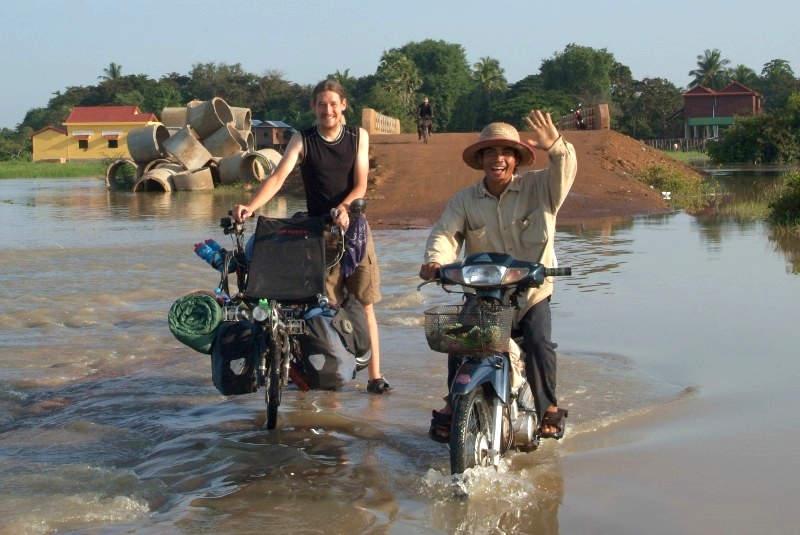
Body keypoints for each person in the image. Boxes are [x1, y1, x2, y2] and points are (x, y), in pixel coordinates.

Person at [419, 110, 577, 440]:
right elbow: (444, 235)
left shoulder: (541, 188)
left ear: (517, 159)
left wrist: (557, 146)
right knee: (460, 341)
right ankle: (453, 402)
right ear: (480, 159)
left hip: (531, 294)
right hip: (483, 296)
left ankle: (548, 406)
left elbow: (565, 170)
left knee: (538, 341)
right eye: (490, 152)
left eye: (506, 152)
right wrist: (436, 262)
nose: (498, 159)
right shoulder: (464, 200)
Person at [234, 79, 391, 394]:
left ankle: (375, 377)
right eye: (321, 104)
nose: (327, 109)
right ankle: (329, 379)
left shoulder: (358, 136)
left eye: (333, 103)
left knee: (365, 303)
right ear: (313, 107)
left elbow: (360, 183)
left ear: (343, 105)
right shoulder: (302, 138)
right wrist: (250, 207)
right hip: (319, 234)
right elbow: (278, 177)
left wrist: (345, 208)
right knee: (323, 310)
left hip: (355, 230)